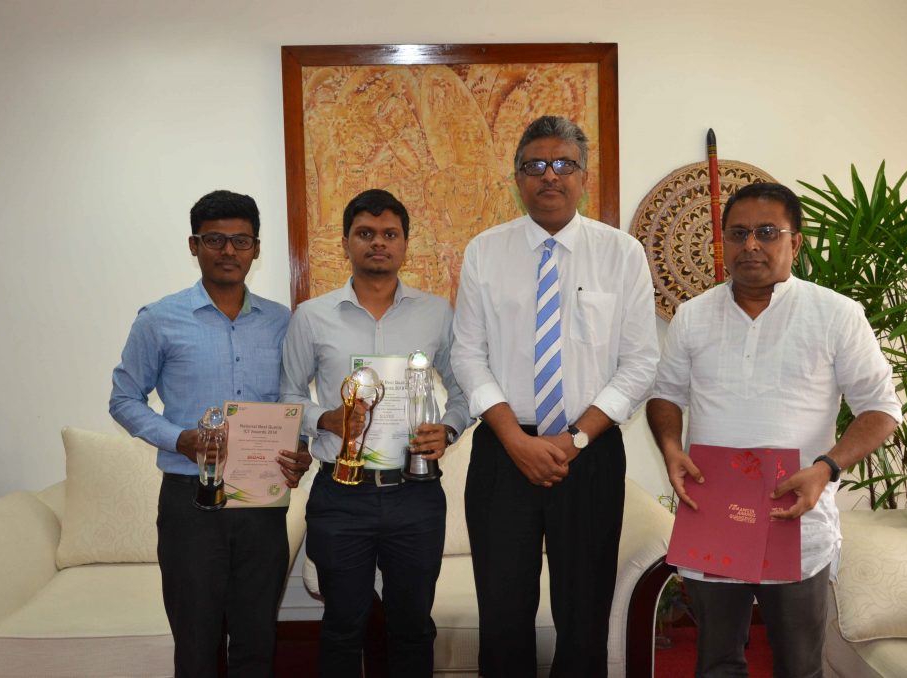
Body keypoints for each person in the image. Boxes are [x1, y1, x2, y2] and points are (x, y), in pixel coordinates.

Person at [647, 182, 901, 678]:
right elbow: (666, 394)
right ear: (723, 241)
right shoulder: (693, 316)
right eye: (738, 233)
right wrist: (672, 448)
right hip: (715, 512)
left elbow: (881, 409)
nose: (751, 246)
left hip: (797, 518)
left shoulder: (837, 315)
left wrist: (825, 469)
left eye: (767, 232)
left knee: (798, 666)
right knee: (716, 662)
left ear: (795, 242)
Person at [451, 116, 659, 677]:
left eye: (563, 164)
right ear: (516, 179)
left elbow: (640, 362)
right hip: (503, 451)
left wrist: (573, 439)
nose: (550, 176)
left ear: (584, 176)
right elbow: (467, 355)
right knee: (502, 613)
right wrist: (517, 441)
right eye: (534, 165)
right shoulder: (483, 252)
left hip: (588, 455)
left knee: (584, 611)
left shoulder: (621, 254)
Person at [109, 189, 312, 678]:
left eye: (240, 240)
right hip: (190, 504)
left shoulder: (283, 323)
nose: (228, 251)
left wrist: (301, 448)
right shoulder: (159, 320)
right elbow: (123, 399)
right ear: (193, 245)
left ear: (257, 249)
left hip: (261, 502)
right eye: (215, 239)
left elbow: (293, 401)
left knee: (257, 639)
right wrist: (180, 438)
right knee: (197, 644)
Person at [281, 188, 471, 678]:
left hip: (416, 494)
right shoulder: (312, 316)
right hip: (341, 495)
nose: (378, 243)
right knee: (344, 624)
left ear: (406, 244)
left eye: (390, 234)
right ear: (346, 242)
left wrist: (447, 430)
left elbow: (466, 392)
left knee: (412, 625)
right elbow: (287, 398)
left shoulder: (437, 313)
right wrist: (328, 419)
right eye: (366, 234)